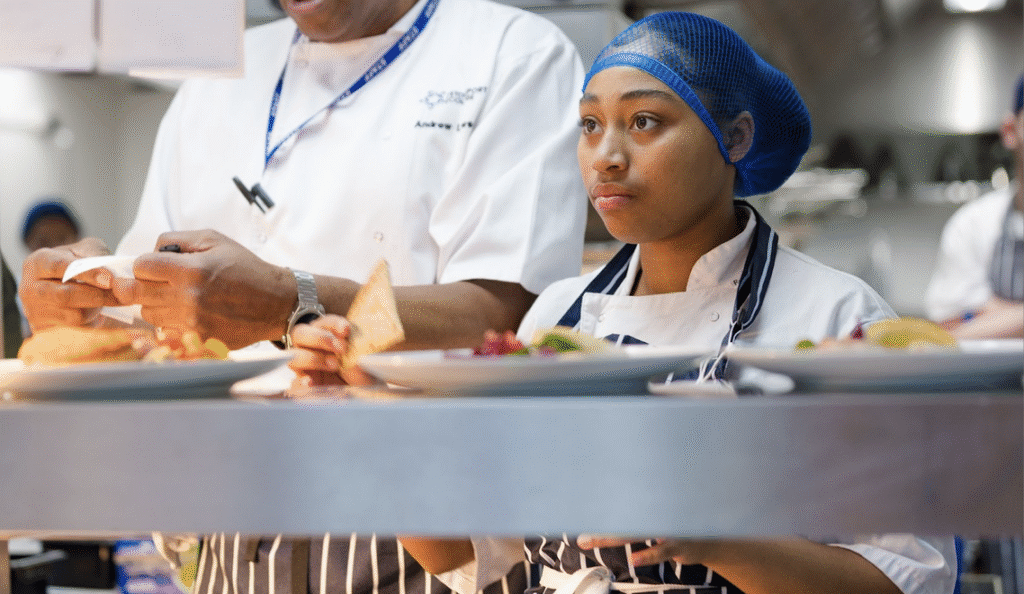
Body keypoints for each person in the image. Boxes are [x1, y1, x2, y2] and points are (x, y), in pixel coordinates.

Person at [290, 11, 958, 594]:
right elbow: (469, 556)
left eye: (644, 122)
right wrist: (368, 415)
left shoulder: (836, 319)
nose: (605, 157)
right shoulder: (557, 318)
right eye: (589, 125)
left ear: (736, 139)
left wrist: (708, 539)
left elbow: (904, 578)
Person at [17, 0, 588, 592]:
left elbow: (504, 314)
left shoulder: (512, 52)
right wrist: (80, 315)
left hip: (421, 514)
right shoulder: (219, 77)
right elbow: (152, 325)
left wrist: (292, 301)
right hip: (229, 514)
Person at [925, 73, 1023, 339]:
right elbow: (950, 329)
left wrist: (996, 318)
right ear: (1010, 131)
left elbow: (972, 326)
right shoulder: (972, 225)